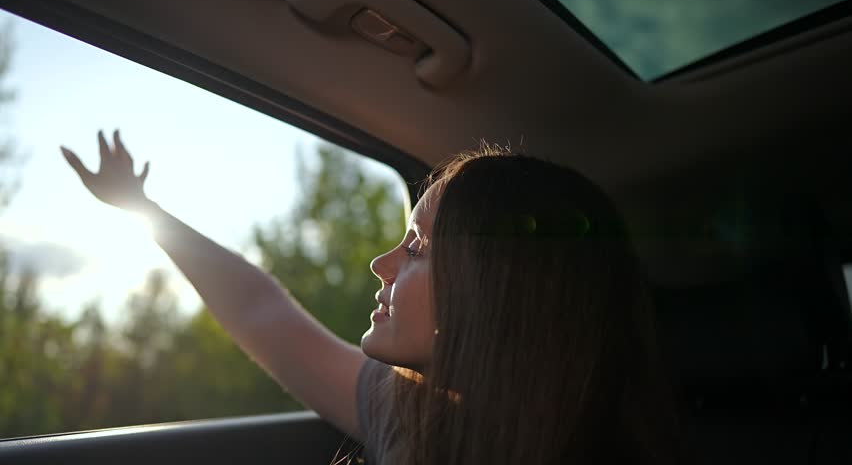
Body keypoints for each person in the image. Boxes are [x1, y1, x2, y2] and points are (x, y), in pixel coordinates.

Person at [61, 130, 685, 464]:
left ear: (495, 290)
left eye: (416, 247)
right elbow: (262, 314)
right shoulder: (407, 410)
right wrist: (144, 212)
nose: (379, 264)